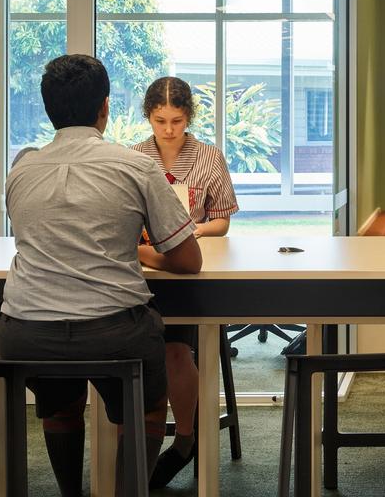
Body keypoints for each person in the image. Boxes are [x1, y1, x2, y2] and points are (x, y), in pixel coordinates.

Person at [0, 55, 202, 497]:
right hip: (114, 330)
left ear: (49, 110)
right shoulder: (134, 165)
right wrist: (137, 252)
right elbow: (188, 260)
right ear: (105, 108)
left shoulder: (21, 169)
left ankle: (72, 491)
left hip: (26, 334)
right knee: (146, 406)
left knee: (60, 400)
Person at [130, 76, 238, 487]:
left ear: (189, 117)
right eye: (160, 121)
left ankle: (186, 439)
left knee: (176, 348)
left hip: (189, 264)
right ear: (149, 117)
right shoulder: (134, 157)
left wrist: (195, 233)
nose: (169, 129)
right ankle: (142, 439)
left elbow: (223, 220)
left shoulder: (209, 157)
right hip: (143, 266)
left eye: (176, 120)